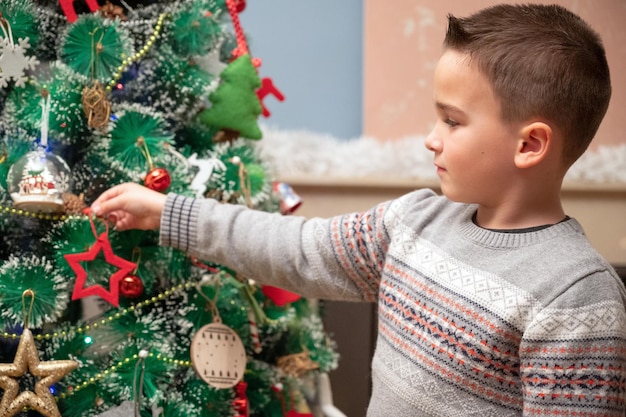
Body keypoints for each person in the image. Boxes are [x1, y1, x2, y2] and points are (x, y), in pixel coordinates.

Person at [91, 4, 626, 416]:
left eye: (453, 121)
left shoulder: (576, 297)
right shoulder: (414, 223)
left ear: (530, 145)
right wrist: (171, 213)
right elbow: (297, 250)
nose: (430, 139)